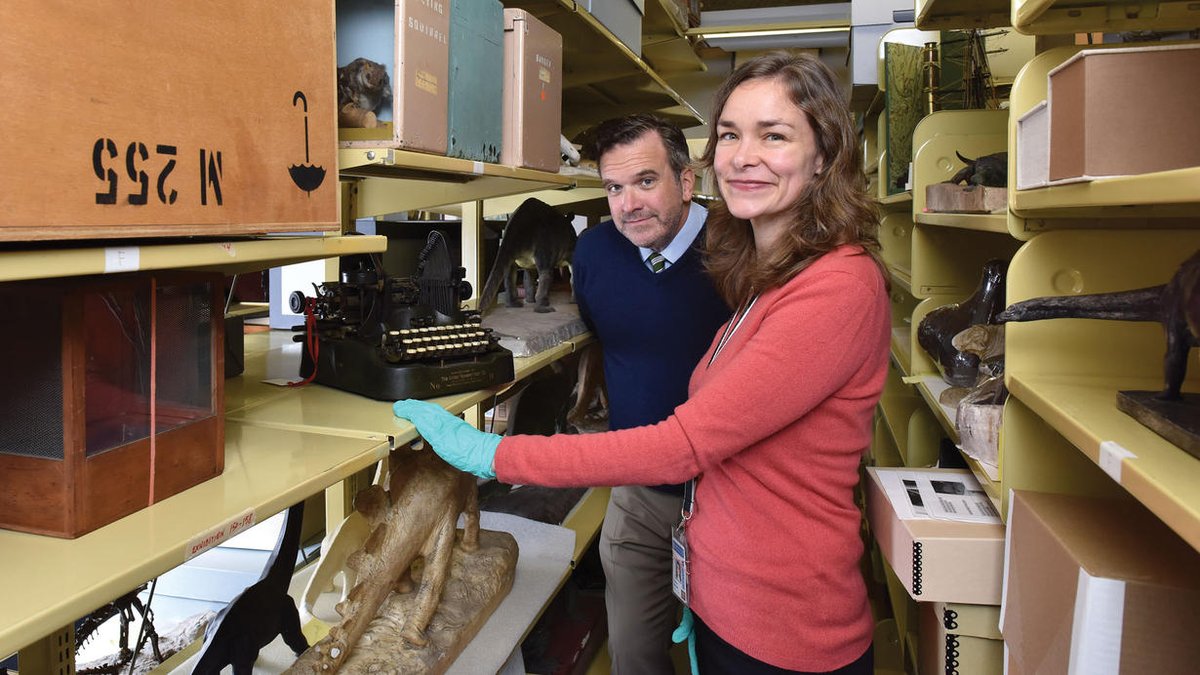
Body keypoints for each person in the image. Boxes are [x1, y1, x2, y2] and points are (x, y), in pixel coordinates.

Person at [396, 51, 888, 674]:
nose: (742, 155)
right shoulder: (765, 275)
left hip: (783, 622)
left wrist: (494, 454)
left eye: (775, 135)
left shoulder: (835, 287)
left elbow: (687, 443)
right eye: (731, 135)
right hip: (729, 592)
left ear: (824, 157)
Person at [572, 113, 731, 674]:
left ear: (686, 182)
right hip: (638, 494)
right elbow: (608, 336)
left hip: (731, 493)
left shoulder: (738, 250)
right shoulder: (593, 254)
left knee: (725, 655)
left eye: (645, 181)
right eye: (614, 188)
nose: (628, 204)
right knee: (636, 656)